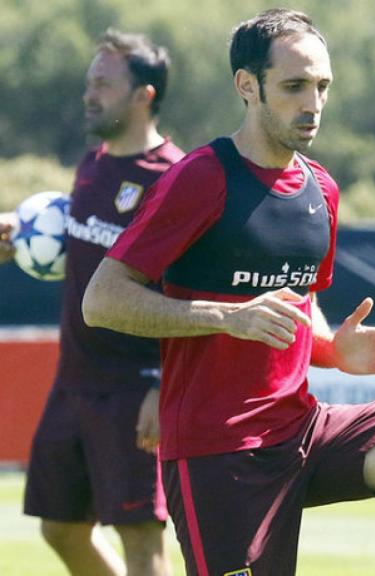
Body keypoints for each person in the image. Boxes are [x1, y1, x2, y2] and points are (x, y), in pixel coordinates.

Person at [81, 9, 375, 576]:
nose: (312, 103)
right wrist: (226, 316)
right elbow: (102, 300)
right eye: (294, 86)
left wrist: (334, 350)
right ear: (247, 86)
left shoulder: (322, 190)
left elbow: (297, 306)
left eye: (321, 86)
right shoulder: (200, 178)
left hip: (303, 431)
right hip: (217, 453)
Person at [0, 29, 183, 576]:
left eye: (103, 84)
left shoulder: (175, 179)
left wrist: (162, 383)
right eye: (89, 83)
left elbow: (190, 289)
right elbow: (80, 247)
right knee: (60, 528)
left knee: (142, 543)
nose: (89, 94)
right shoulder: (92, 166)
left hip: (135, 388)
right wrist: (22, 241)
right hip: (74, 380)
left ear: (143, 95)